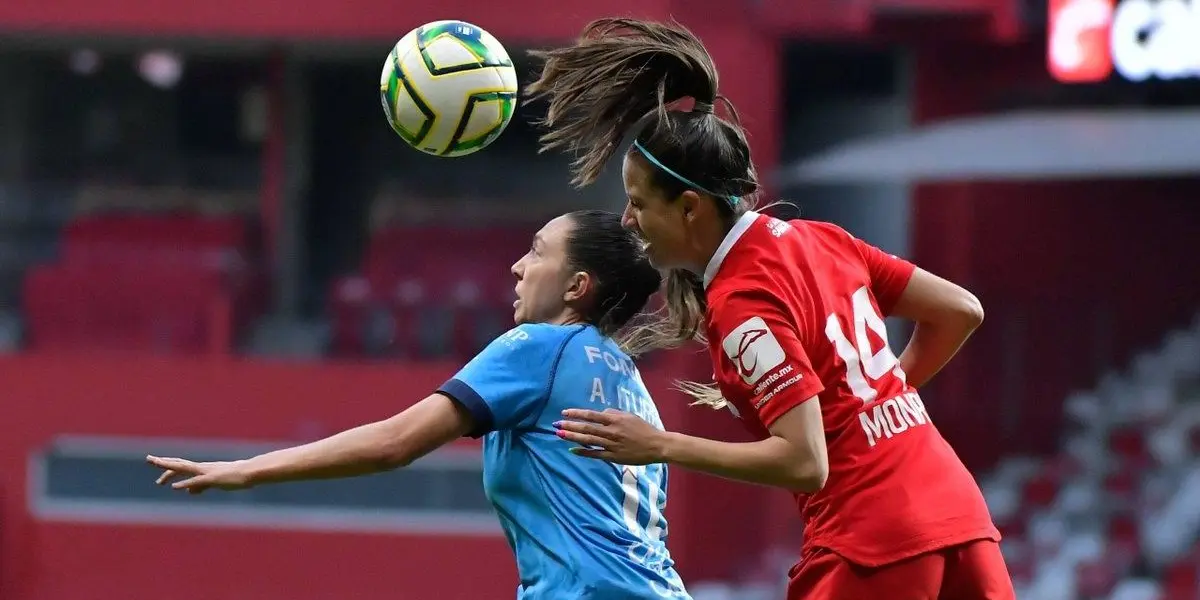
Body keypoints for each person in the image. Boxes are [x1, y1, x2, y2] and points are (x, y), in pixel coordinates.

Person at [528, 19, 1015, 600]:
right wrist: (873, 402)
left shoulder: (739, 302)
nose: (628, 221)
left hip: (873, 540)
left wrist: (659, 445)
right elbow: (960, 311)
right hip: (958, 518)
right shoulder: (821, 238)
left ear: (689, 208)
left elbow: (806, 462)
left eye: (637, 204)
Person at [145, 210, 691, 600]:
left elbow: (395, 442)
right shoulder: (636, 391)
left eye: (537, 251)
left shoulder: (539, 348)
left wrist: (246, 470)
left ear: (577, 286)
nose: (517, 267)